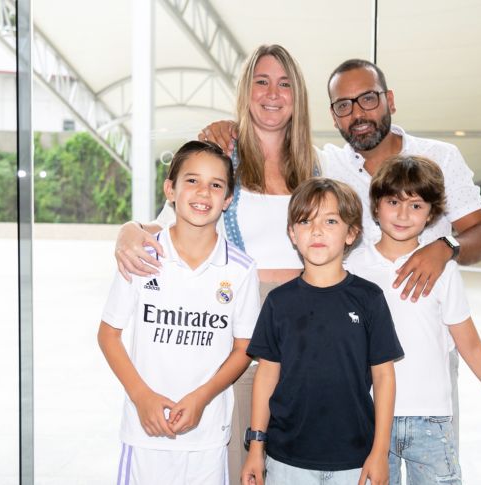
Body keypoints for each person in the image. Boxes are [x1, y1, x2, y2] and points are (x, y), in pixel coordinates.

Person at [197, 58, 481, 451]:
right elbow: (269, 145)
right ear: (333, 116)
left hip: (428, 355)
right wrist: (230, 128)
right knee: (362, 465)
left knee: (434, 466)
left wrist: (444, 248)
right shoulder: (328, 165)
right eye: (344, 105)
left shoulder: (439, 157)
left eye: (368, 99)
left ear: (390, 99)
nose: (358, 113)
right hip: (353, 353)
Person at [114, 44, 318, 479]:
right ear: (245, 91)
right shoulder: (222, 157)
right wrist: (129, 228)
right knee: (239, 458)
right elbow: (165, 223)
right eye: (261, 81)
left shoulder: (316, 165)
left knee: (300, 460)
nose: (272, 93)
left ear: (297, 95)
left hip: (304, 322)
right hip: (238, 324)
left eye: (284, 84)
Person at [345, 155, 481, 484]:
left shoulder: (443, 270)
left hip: (431, 421)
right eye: (393, 202)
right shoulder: (352, 268)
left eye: (416, 205)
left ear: (431, 214)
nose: (403, 214)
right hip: (368, 418)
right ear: (375, 206)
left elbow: (471, 347)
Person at [97, 141, 261, 484]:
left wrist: (202, 397)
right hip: (144, 433)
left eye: (216, 184)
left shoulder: (242, 270)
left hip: (207, 436)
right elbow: (108, 334)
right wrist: (141, 396)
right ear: (170, 189)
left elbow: (244, 347)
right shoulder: (141, 256)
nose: (203, 192)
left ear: (228, 199)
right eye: (192, 180)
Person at [241, 178, 404, 485]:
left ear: (351, 233)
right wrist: (256, 448)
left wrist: (380, 452)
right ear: (292, 233)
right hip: (286, 460)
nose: (316, 231)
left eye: (330, 221)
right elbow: (266, 375)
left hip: (355, 460)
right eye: (305, 221)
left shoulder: (369, 299)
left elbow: (384, 377)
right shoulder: (278, 302)